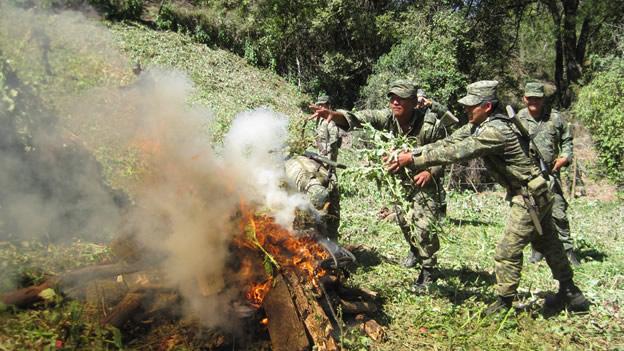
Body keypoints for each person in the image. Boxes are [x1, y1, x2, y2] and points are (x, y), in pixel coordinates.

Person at [390, 80, 589, 313]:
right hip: (537, 191)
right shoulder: (481, 124)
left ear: (486, 107)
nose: (466, 109)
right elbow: (449, 141)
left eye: (471, 106)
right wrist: (412, 152)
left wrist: (413, 160)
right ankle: (571, 293)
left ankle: (504, 303)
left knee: (507, 251)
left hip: (531, 197)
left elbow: (456, 152)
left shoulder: (496, 131)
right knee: (550, 244)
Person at [310, 80, 454, 292]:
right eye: (392, 97)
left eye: (401, 99)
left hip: (424, 181)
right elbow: (361, 117)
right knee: (406, 223)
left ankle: (429, 270)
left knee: (423, 226)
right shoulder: (387, 118)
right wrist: (337, 116)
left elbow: (446, 153)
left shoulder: (430, 125)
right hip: (401, 182)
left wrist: (429, 172)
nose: (395, 102)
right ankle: (416, 250)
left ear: (414, 102)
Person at [517, 82, 580, 266]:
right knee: (533, 213)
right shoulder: (518, 118)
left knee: (558, 212)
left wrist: (565, 158)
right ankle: (537, 250)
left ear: (543, 99)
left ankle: (567, 250)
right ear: (525, 98)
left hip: (551, 173)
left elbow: (567, 141)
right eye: (530, 98)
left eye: (537, 98)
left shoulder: (555, 118)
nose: (533, 101)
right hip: (528, 175)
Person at [284, 93, 342, 240]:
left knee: (329, 198)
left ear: (328, 106)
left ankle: (331, 237)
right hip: (315, 162)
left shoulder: (330, 123)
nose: (321, 107)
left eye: (323, 105)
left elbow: (331, 148)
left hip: (325, 164)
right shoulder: (318, 120)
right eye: (319, 105)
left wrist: (327, 168)